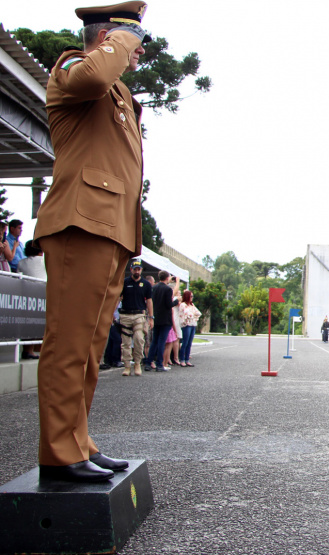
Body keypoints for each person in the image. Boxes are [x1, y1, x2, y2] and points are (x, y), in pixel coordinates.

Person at [33, 1, 151, 482]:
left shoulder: (116, 91)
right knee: (68, 344)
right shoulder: (71, 69)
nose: (138, 55)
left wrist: (121, 47)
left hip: (110, 229)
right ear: (107, 39)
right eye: (133, 44)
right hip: (81, 224)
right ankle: (60, 452)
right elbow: (94, 76)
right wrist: (122, 40)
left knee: (88, 349)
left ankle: (78, 440)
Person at [119, 259, 152, 376]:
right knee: (126, 342)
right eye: (135, 269)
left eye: (139, 269)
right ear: (131, 269)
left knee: (139, 339)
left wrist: (151, 317)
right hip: (125, 315)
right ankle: (127, 365)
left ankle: (137, 363)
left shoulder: (146, 284)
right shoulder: (124, 282)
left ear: (141, 270)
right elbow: (118, 298)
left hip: (139, 315)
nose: (137, 271)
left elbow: (149, 301)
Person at [147, 271, 179, 372]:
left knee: (154, 341)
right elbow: (168, 304)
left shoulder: (154, 288)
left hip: (156, 316)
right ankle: (159, 364)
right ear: (167, 278)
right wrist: (176, 301)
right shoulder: (167, 289)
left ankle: (149, 362)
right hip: (165, 318)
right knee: (162, 341)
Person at [178, 289, 201, 367]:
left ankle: (187, 359)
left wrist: (193, 314)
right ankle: (182, 359)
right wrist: (193, 314)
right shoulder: (183, 305)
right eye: (191, 296)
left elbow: (198, 313)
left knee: (189, 343)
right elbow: (188, 314)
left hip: (192, 324)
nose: (192, 298)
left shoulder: (192, 305)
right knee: (185, 342)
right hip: (186, 325)